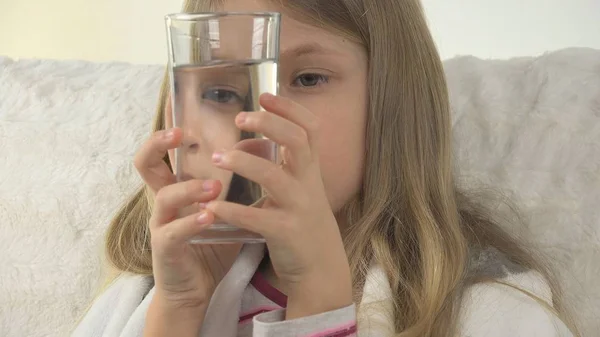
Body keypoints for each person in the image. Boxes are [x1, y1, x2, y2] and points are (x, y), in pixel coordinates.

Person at [71, 0, 580, 336]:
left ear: (392, 105)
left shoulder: (490, 316)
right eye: (222, 91)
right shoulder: (137, 302)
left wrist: (319, 299)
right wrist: (179, 310)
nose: (258, 120)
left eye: (308, 78)